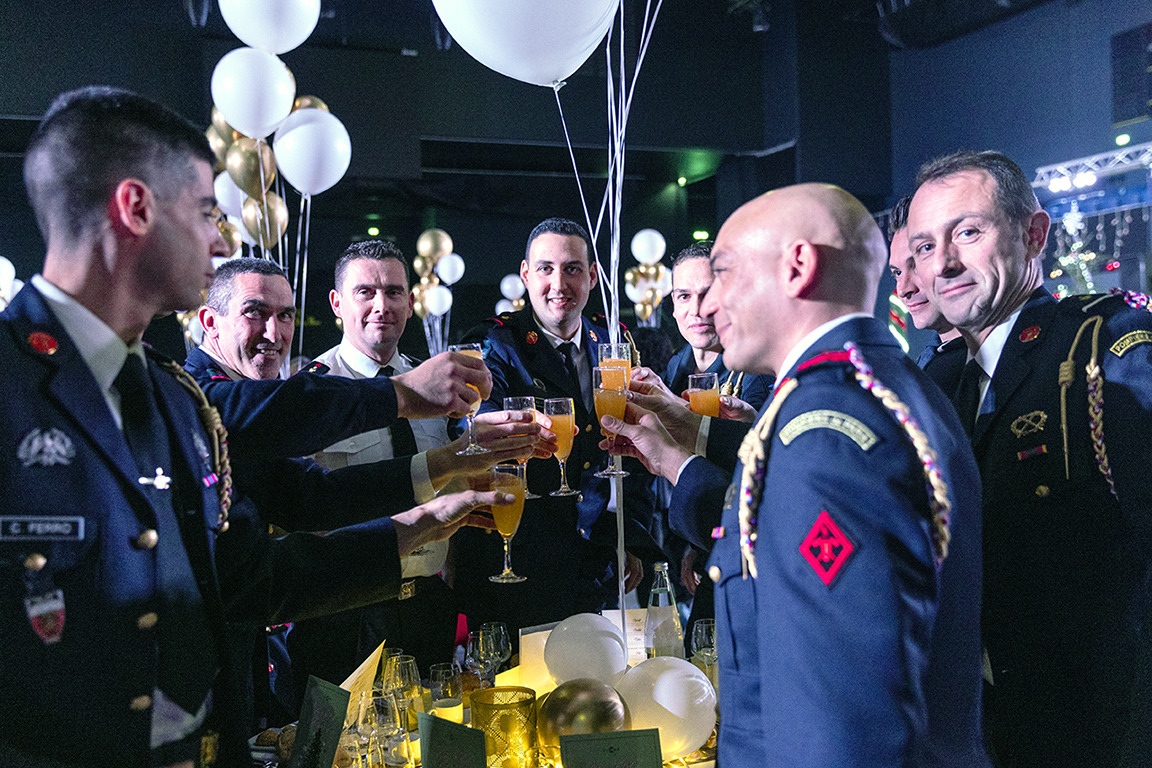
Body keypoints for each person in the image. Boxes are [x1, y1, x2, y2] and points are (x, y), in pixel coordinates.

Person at [0, 85, 503, 767]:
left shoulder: (174, 398)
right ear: (136, 208)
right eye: (206, 212)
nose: (218, 238)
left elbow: (247, 580)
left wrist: (428, 521)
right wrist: (400, 399)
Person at [606, 183, 989, 766]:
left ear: (798, 267)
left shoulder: (825, 431)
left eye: (724, 273)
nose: (707, 306)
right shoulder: (882, 384)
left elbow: (842, 718)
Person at [187, 255, 545, 702]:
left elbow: (314, 496)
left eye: (286, 316)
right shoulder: (204, 396)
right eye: (254, 312)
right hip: (294, 629)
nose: (274, 333)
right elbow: (271, 562)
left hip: (409, 606)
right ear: (210, 323)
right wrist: (402, 394)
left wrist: (450, 470)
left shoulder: (419, 378)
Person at [906, 150, 1152, 768]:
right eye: (925, 246)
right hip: (979, 728)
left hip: (1098, 729)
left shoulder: (1100, 348)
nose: (944, 263)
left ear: (1034, 235)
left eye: (968, 232)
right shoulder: (936, 382)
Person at [451, 217, 658, 638]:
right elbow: (472, 428)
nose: (558, 284)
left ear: (592, 277)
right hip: (515, 562)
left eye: (572, 269)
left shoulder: (613, 343)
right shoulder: (497, 343)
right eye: (545, 268)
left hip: (593, 564)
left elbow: (636, 447)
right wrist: (498, 427)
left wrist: (631, 537)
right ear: (526, 275)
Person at [661, 241, 774, 643]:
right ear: (672, 305)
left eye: (707, 294)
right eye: (684, 296)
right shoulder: (676, 367)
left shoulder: (758, 367)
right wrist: (689, 545)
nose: (697, 310)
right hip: (697, 538)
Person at [887, 196, 965, 390]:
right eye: (897, 273)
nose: (903, 290)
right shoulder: (920, 370)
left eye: (915, 265)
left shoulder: (998, 361)